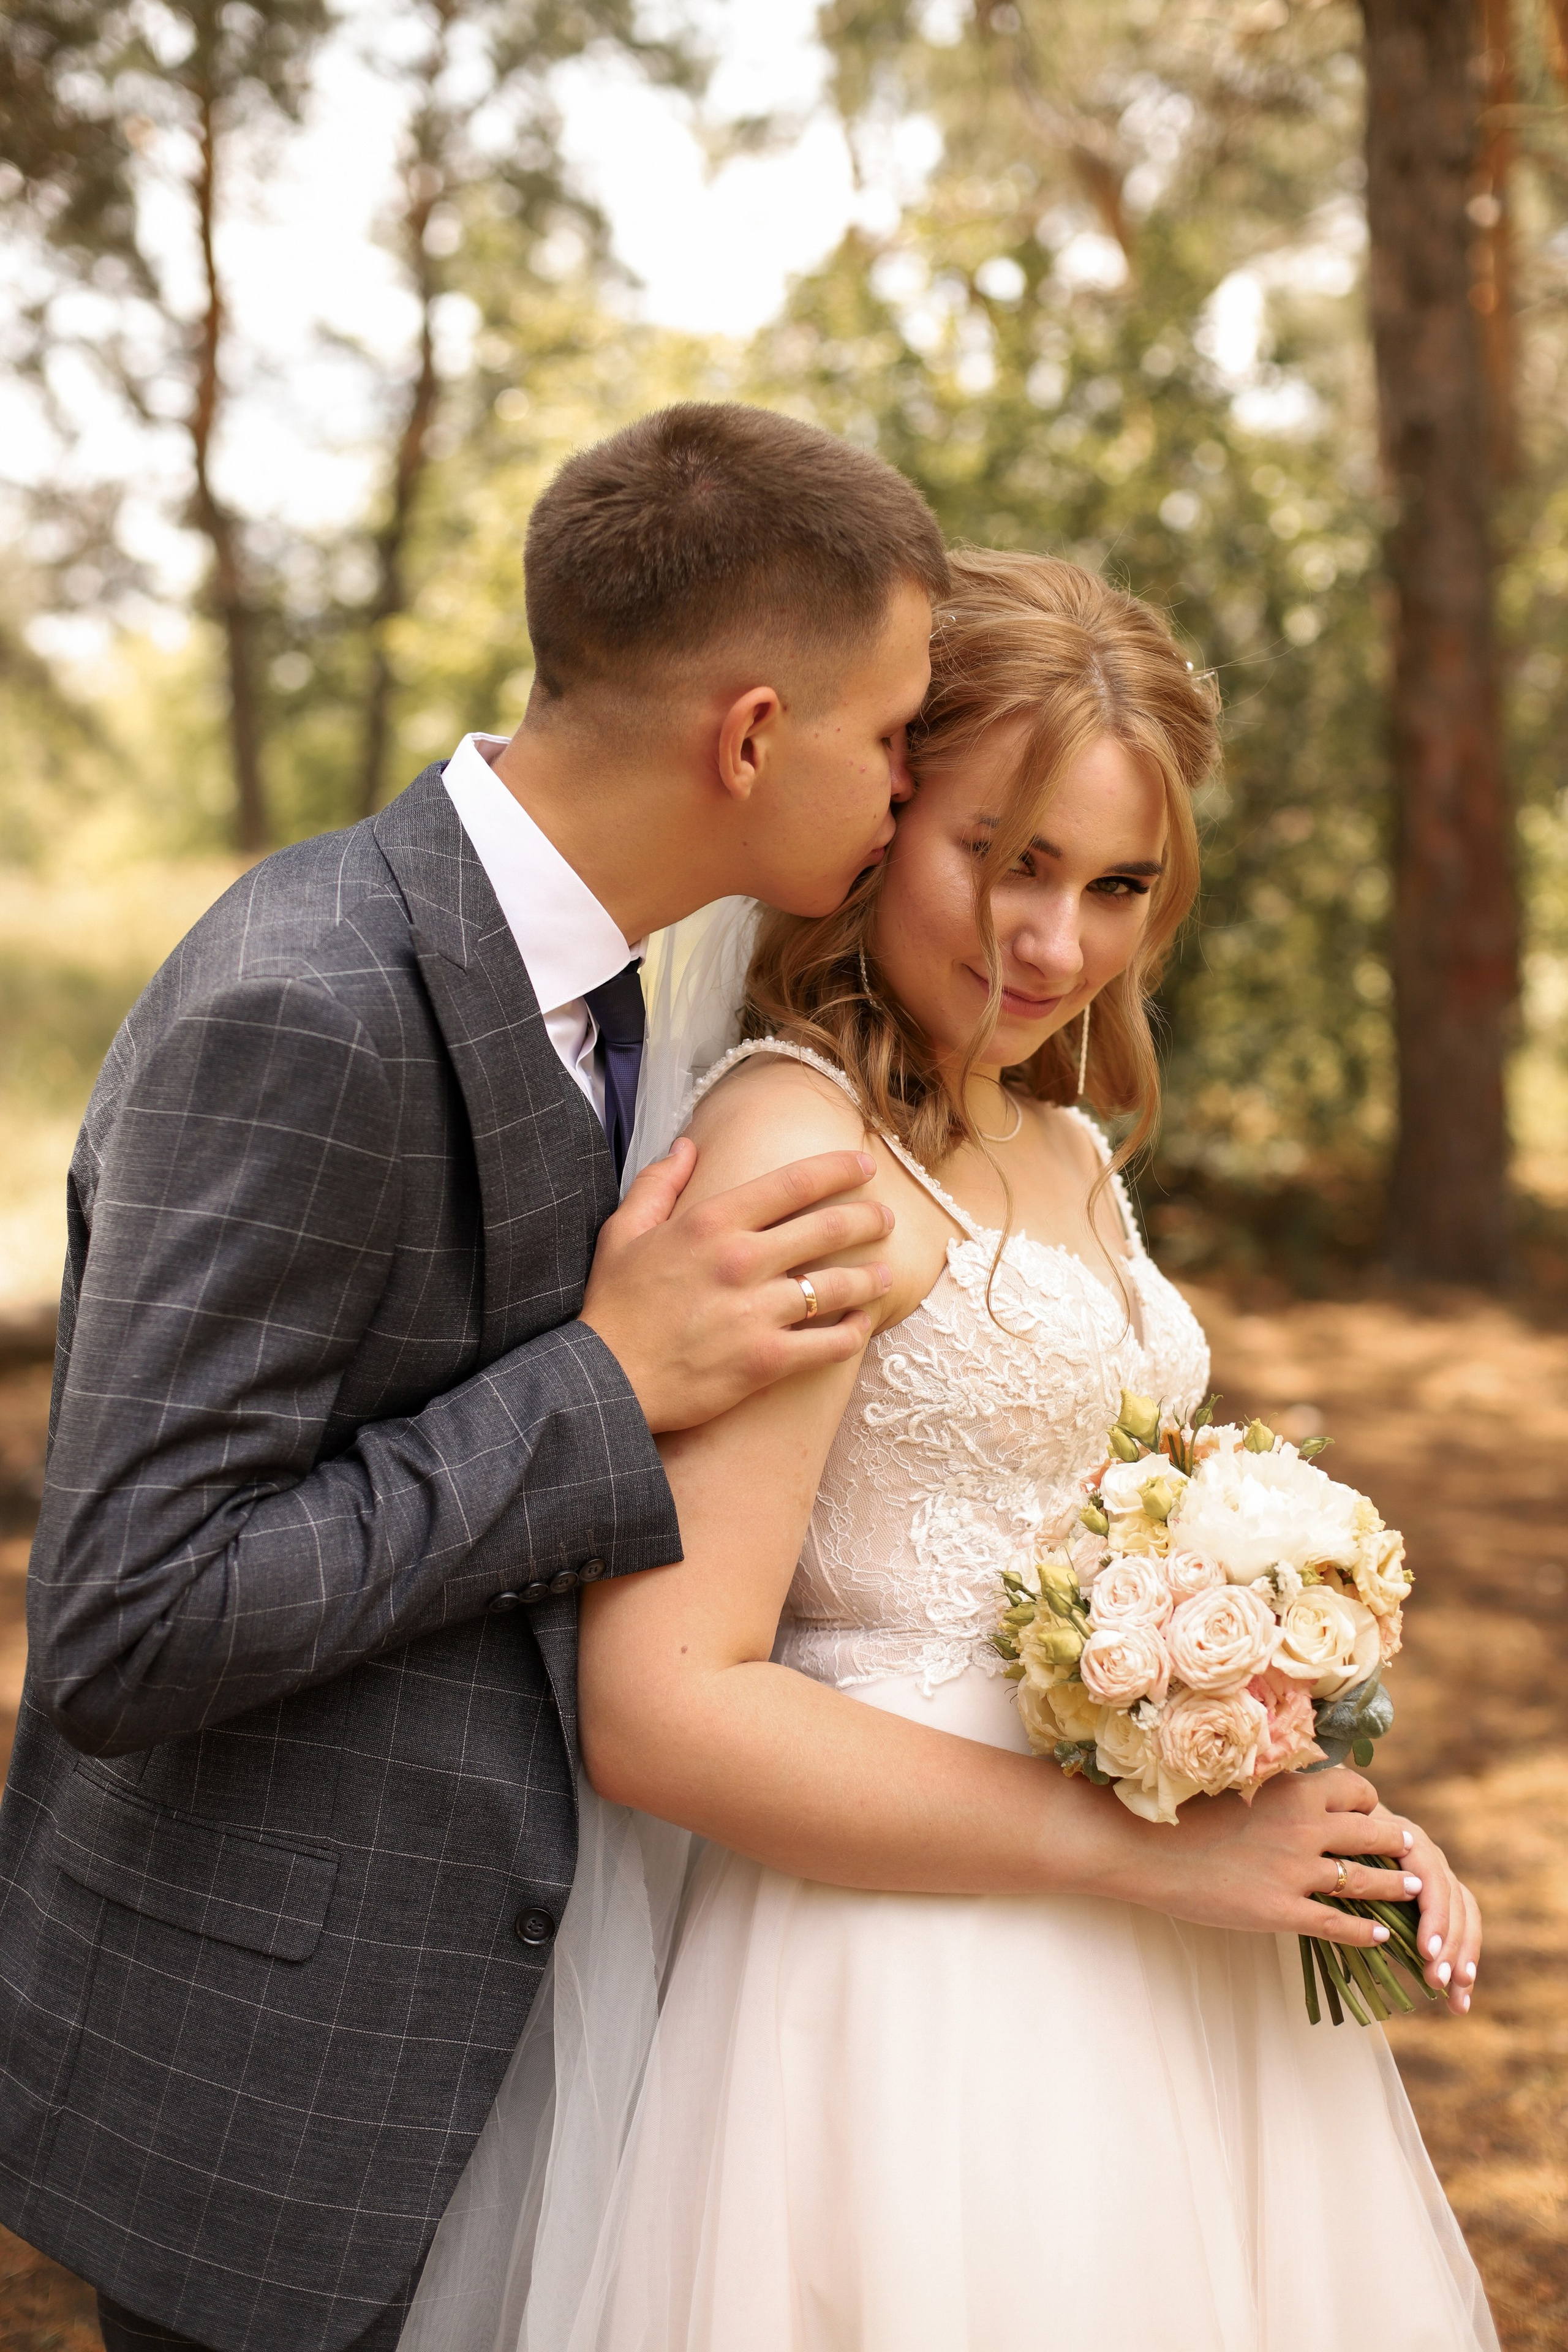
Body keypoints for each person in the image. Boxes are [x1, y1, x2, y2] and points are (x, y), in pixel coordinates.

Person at [407, 550, 1495, 2351]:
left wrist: (1309, 1804)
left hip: (1158, 1958)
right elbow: (666, 1706)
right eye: (1004, 856)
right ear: (887, 810)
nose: (1055, 941)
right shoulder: (798, 1153)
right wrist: (1150, 1858)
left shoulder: (1063, 1148)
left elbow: (1091, 1593)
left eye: (1118, 882)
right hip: (917, 1990)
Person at [0, 402, 950, 2352]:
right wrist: (601, 1384)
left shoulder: (630, 992)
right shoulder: (307, 1000)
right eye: (893, 726)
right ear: (754, 735)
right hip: (276, 2102)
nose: (911, 777)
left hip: (527, 2074)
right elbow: (126, 1616)